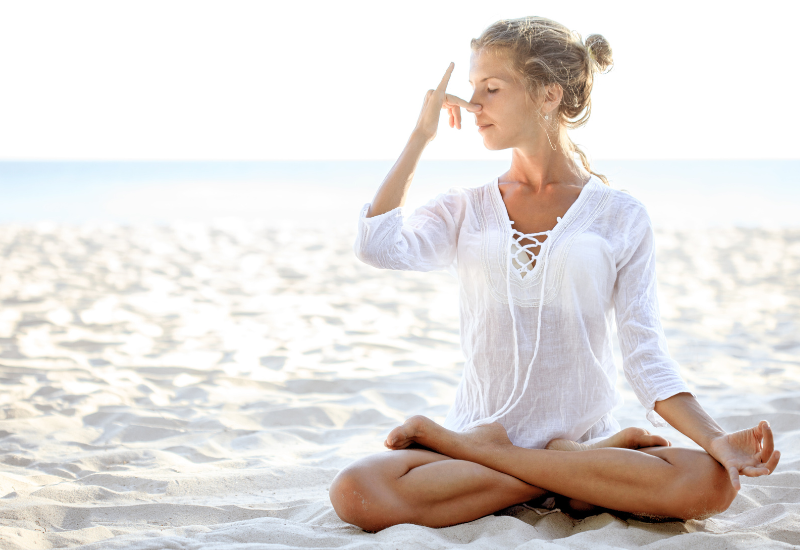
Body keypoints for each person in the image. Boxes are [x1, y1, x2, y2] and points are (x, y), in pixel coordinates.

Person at [329, 16, 780, 533]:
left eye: (491, 89)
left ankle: (521, 458)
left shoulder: (619, 215)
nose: (473, 104)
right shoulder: (467, 208)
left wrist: (716, 440)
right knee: (357, 490)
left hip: (548, 447)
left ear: (548, 96)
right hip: (509, 452)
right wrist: (419, 134)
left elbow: (645, 355)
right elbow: (378, 246)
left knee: (713, 481)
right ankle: (563, 475)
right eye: (472, 89)